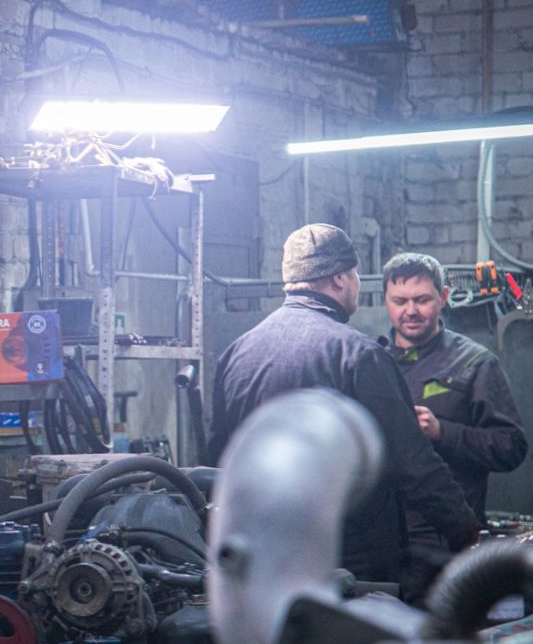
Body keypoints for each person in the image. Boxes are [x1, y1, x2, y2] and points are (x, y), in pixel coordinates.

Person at [205, 223, 479, 585]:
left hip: (263, 561)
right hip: (349, 565)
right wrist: (468, 534)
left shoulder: (235, 354)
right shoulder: (358, 356)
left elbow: (218, 461)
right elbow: (412, 463)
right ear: (339, 279)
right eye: (354, 275)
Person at [381, 252, 527, 543]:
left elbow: (511, 446)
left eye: (422, 300)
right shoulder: (371, 362)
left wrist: (442, 432)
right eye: (400, 301)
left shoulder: (474, 362)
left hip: (448, 538)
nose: (410, 310)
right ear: (386, 301)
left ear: (443, 297)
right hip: (385, 538)